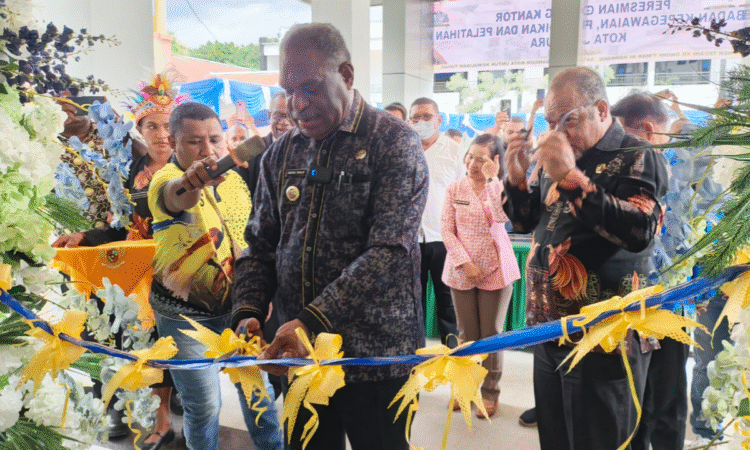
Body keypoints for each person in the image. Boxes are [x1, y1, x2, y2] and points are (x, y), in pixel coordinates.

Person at [231, 23, 427, 450]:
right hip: (298, 354)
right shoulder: (282, 151)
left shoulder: (394, 141)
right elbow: (259, 243)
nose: (298, 104)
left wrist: (312, 321)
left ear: (347, 75)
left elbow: (390, 251)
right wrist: (247, 312)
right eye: (289, 91)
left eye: (311, 88)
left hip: (374, 357)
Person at [503, 67, 667, 450]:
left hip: (604, 337)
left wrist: (570, 175)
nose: (556, 132)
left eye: (568, 120)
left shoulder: (637, 155)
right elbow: (526, 222)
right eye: (549, 122)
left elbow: (640, 231)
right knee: (555, 437)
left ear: (602, 110)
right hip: (548, 329)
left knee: (599, 440)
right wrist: (516, 180)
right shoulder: (560, 154)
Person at [52, 77, 183, 449]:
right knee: (147, 341)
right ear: (139, 129)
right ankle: (159, 420)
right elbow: (119, 224)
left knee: (179, 346)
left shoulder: (192, 168)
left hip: (182, 273)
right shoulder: (129, 170)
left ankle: (187, 412)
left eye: (168, 125)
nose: (161, 134)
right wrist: (85, 237)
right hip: (139, 273)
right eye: (151, 126)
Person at [147, 101, 282, 450]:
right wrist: (191, 182)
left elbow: (249, 240)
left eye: (214, 139)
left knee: (259, 395)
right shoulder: (164, 180)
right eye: (194, 142)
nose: (207, 150)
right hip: (184, 318)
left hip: (239, 311)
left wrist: (258, 295)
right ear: (173, 142)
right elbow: (177, 196)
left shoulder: (235, 181)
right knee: (204, 406)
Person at [611, 91, 688, 450]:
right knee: (632, 399)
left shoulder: (677, 168)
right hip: (629, 305)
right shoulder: (612, 170)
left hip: (669, 302)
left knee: (665, 399)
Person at [441, 133, 520, 419]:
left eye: (481, 159)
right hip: (462, 269)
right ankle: (465, 389)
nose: (473, 164)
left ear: (495, 162)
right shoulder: (455, 188)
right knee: (467, 335)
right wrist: (465, 263)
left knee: (491, 336)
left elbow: (501, 218)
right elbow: (447, 230)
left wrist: (492, 180)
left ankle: (489, 393)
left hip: (496, 268)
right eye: (470, 157)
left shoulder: (500, 187)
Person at [410, 97, 462, 346]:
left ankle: (452, 355)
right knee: (412, 301)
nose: (421, 122)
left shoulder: (455, 152)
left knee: (447, 301)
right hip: (411, 239)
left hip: (443, 238)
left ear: (438, 120)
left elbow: (463, 195)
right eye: (415, 118)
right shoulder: (404, 149)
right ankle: (413, 355)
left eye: (426, 116)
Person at [239, 91, 293, 197]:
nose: (284, 122)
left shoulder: (309, 150)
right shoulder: (251, 152)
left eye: (290, 116)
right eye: (278, 115)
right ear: (269, 116)